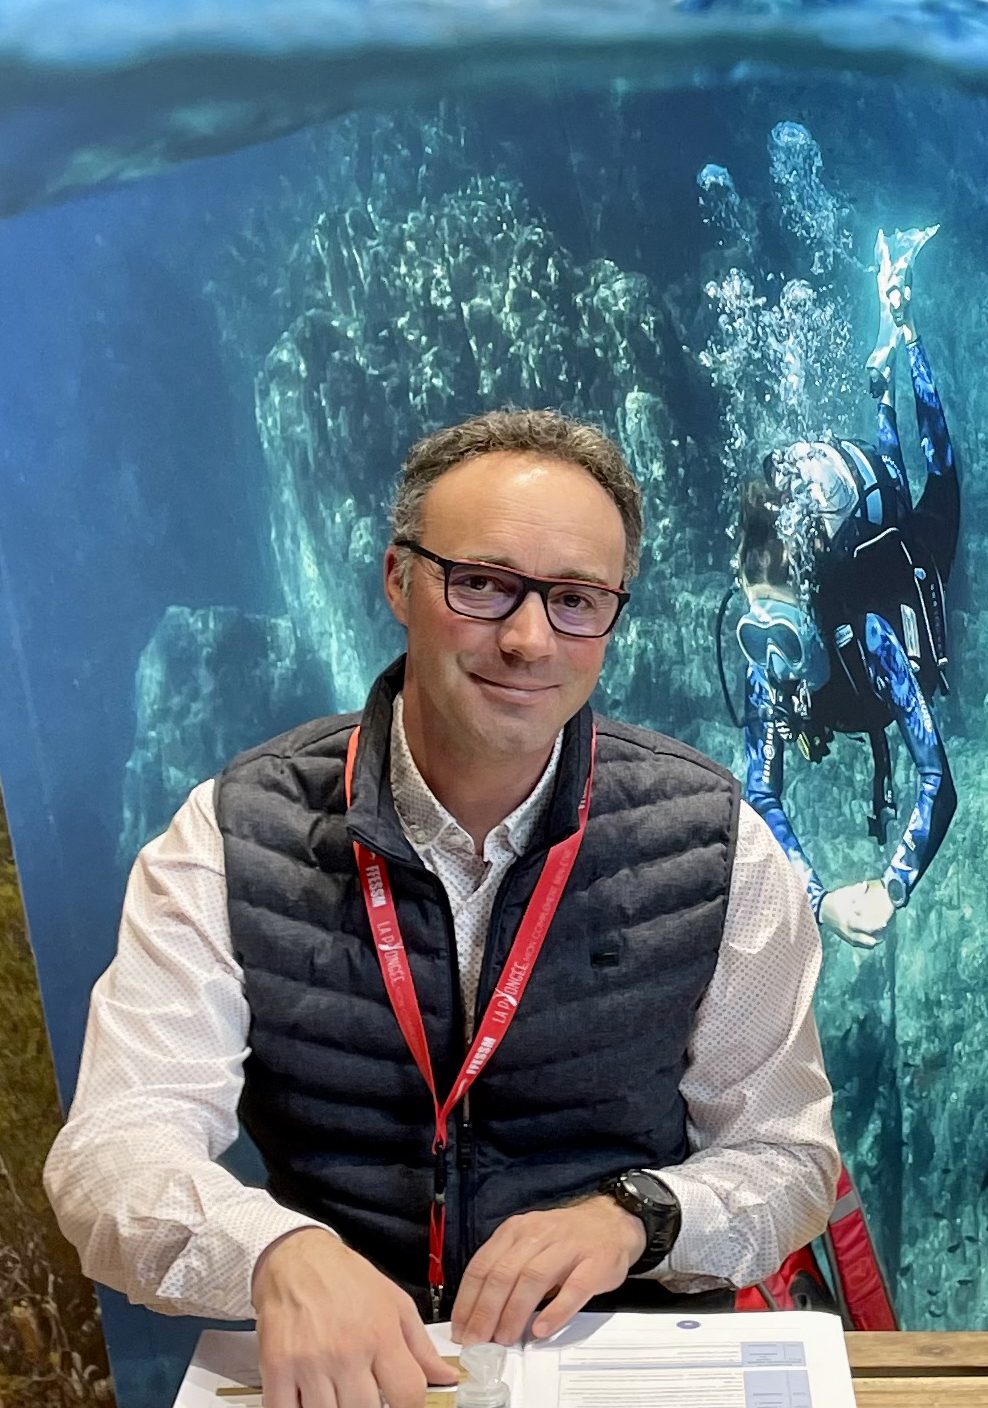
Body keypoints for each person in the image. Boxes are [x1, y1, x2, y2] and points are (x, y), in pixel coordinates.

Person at [46, 410, 838, 1408]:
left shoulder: (717, 844)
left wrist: (639, 1216)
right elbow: (114, 1148)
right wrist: (273, 1250)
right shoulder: (232, 833)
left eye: (575, 600)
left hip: (616, 1362)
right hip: (354, 1373)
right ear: (398, 580)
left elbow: (787, 1156)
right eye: (482, 584)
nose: (527, 638)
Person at [732, 227, 958, 949]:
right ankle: (880, 379)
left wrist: (893, 885)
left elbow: (937, 779)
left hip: (906, 557)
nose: (772, 658)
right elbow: (758, 793)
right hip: (845, 631)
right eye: (755, 634)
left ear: (812, 606)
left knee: (940, 477)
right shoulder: (769, 658)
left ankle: (903, 328)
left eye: (781, 633)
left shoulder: (872, 636)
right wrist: (821, 901)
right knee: (906, 463)